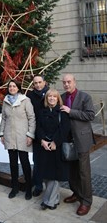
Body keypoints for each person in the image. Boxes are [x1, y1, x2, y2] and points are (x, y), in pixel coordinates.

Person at [61, 74, 95, 216]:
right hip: (68, 140)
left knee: (83, 172)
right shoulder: (62, 97)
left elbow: (90, 115)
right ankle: (76, 193)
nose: (67, 84)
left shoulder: (84, 97)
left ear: (74, 82)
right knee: (71, 171)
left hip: (82, 140)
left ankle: (86, 201)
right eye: (64, 82)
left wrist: (71, 111)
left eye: (69, 82)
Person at [0, 80, 35, 200]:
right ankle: (14, 188)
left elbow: (31, 118)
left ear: (18, 88)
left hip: (22, 137)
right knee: (13, 164)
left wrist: (30, 135)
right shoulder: (5, 101)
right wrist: (1, 134)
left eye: (14, 86)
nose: (12, 88)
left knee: (25, 163)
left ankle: (28, 188)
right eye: (10, 86)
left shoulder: (25, 100)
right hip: (10, 136)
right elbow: (4, 118)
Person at [36, 89, 71, 210]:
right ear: (46, 99)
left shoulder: (62, 112)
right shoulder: (41, 112)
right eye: (49, 96)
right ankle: (55, 199)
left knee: (55, 176)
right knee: (46, 175)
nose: (51, 98)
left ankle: (48, 201)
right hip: (44, 146)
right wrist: (42, 140)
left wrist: (55, 142)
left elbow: (64, 129)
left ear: (58, 99)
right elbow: (38, 128)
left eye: (54, 97)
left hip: (57, 147)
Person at [27, 74, 49, 196]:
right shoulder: (30, 95)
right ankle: (38, 185)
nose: (38, 85)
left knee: (49, 161)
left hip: (49, 132)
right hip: (36, 132)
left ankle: (50, 187)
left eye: (40, 82)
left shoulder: (50, 94)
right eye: (35, 83)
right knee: (37, 160)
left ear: (44, 82)